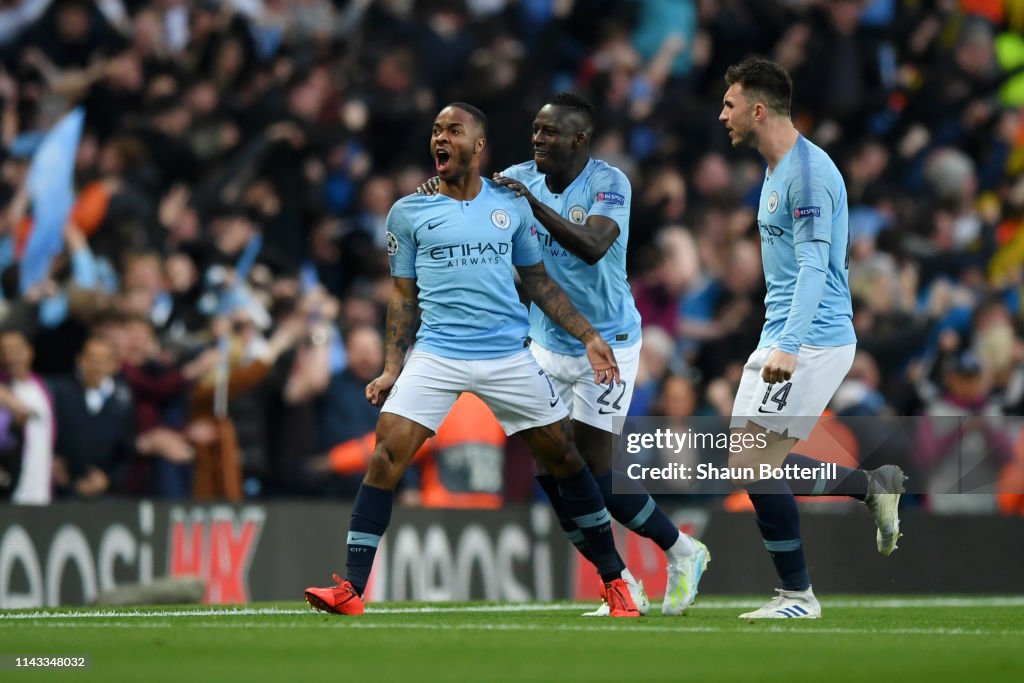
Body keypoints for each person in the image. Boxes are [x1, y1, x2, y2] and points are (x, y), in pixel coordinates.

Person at [304, 103, 639, 618]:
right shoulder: (407, 212)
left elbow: (538, 280)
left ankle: (615, 581)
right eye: (436, 130)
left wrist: (588, 335)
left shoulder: (511, 205)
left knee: (567, 460)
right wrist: (393, 368)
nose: (441, 138)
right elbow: (402, 297)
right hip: (438, 352)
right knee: (386, 455)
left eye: (453, 131)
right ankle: (350, 589)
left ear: (478, 146)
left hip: (508, 354)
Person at [489, 93, 709, 617]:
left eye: (549, 132)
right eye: (535, 131)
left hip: (606, 344)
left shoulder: (610, 183)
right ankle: (620, 582)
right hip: (546, 344)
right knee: (551, 471)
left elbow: (592, 245)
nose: (537, 139)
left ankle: (683, 550)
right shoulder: (521, 176)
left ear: (579, 140)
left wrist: (532, 205)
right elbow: (475, 202)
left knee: (596, 474)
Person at [718, 57, 907, 620]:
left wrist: (791, 345)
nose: (721, 115)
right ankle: (870, 486)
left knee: (754, 465)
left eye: (729, 104)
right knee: (746, 463)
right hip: (783, 333)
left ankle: (798, 596)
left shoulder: (806, 174)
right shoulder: (776, 171)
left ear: (757, 109)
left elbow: (812, 268)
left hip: (814, 339)